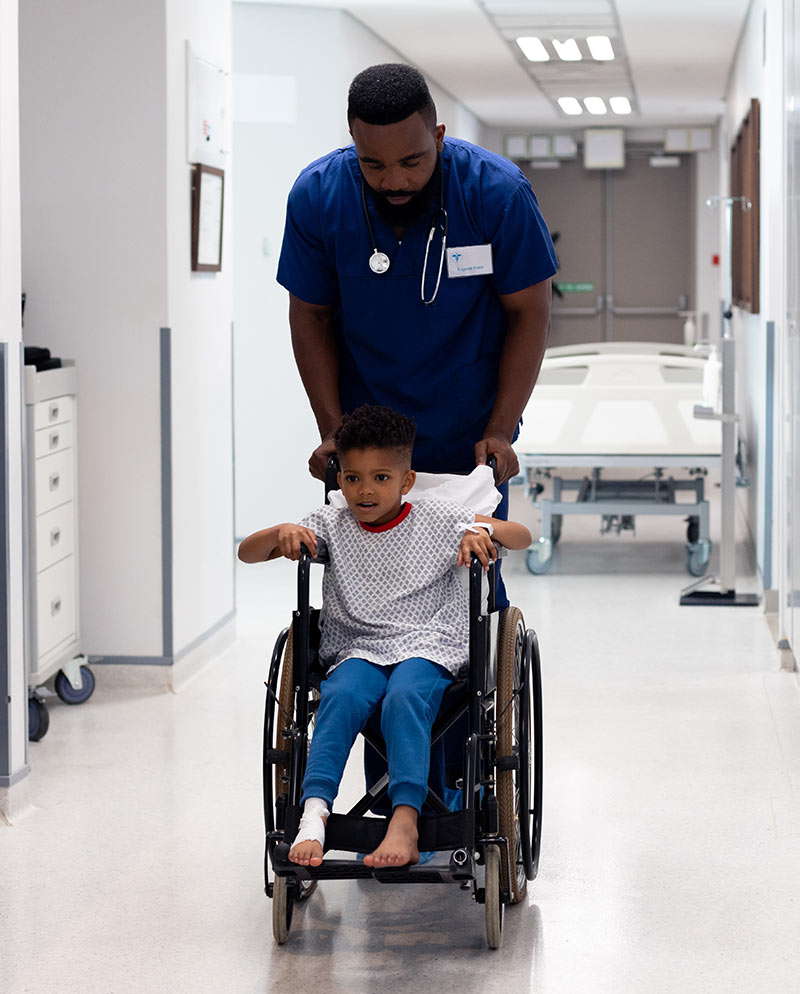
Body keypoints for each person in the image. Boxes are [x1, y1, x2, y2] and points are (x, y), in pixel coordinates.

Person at [238, 405, 532, 867]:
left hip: (428, 645)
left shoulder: (438, 516)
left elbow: (522, 537)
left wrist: (482, 529)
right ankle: (313, 815)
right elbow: (247, 553)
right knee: (341, 696)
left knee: (405, 697)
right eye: (352, 479)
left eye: (379, 477)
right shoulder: (330, 523)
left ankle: (405, 819)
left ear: (406, 481)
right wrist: (282, 531)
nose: (364, 490)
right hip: (357, 648)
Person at [277, 62, 557, 509]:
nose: (394, 181)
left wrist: (501, 430)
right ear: (354, 145)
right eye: (373, 164)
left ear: (439, 137)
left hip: (468, 436)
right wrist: (331, 429)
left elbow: (530, 311)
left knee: (469, 572)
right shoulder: (318, 196)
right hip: (367, 442)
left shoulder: (497, 194)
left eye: (412, 161)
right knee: (364, 574)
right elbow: (310, 314)